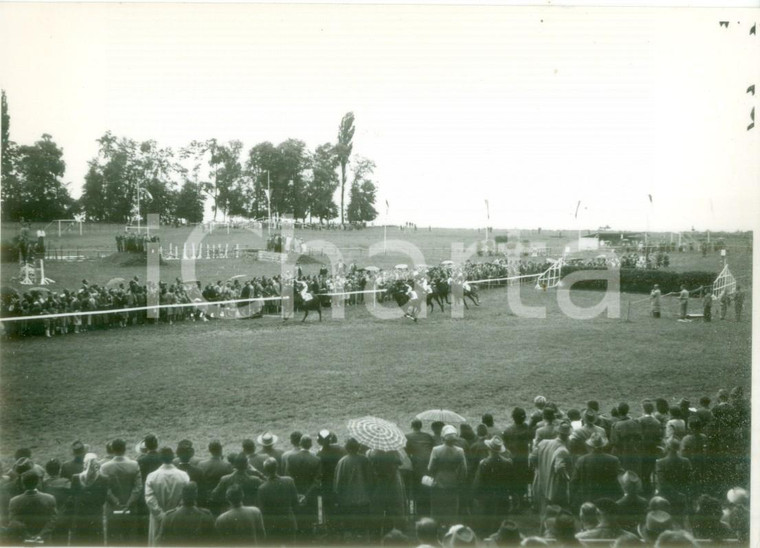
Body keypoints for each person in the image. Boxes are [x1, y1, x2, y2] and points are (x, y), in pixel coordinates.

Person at [144, 447, 190, 546]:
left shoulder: (152, 476)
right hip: (177, 518)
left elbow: (150, 500)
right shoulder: (183, 475)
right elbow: (185, 497)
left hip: (158, 519)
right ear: (173, 457)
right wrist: (175, 513)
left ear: (160, 458)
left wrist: (161, 516)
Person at [100, 438, 142, 545]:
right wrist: (129, 502)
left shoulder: (105, 467)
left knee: (113, 539)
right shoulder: (134, 465)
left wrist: (116, 502)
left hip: (113, 508)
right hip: (131, 508)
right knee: (131, 539)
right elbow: (138, 487)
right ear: (125, 449)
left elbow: (105, 489)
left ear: (113, 449)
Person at [472, 436, 514, 536]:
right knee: (501, 518)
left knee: (487, 518)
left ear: (489, 449)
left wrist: (475, 494)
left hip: (487, 496)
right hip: (502, 495)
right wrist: (511, 494)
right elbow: (511, 481)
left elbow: (478, 482)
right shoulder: (508, 462)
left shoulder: (484, 463)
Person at [428, 425, 467, 528]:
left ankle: (436, 528)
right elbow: (464, 469)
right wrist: (460, 480)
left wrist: (434, 475)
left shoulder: (436, 450)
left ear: (443, 437)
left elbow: (430, 468)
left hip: (438, 481)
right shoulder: (459, 451)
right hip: (453, 481)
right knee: (452, 509)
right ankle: (450, 528)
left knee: (437, 508)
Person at [334, 437, 374, 540]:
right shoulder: (365, 460)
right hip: (363, 499)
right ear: (358, 447)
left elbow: (338, 483)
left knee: (349, 527)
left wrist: (338, 496)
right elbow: (371, 480)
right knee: (362, 527)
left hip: (347, 500)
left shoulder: (342, 462)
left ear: (346, 448)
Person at [570, 432, 623, 509]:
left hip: (588, 497)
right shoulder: (613, 459)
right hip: (607, 497)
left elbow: (574, 481)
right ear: (603, 446)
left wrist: (573, 498)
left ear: (590, 446)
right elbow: (620, 478)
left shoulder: (582, 460)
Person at [530, 420, 572, 515]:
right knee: (554, 512)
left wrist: (539, 468)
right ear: (568, 436)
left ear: (557, 432)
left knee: (543, 510)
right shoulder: (563, 450)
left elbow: (532, 457)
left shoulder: (544, 442)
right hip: (553, 487)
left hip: (541, 482)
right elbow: (559, 467)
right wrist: (567, 477)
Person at [156, 481, 215, 546]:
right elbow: (213, 541)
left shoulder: (169, 516)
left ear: (181, 494)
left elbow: (160, 541)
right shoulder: (206, 515)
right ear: (196, 494)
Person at [284, 435, 321, 539]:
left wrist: (297, 494)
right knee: (309, 523)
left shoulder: (291, 457)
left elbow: (288, 478)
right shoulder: (316, 460)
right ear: (311, 445)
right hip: (309, 497)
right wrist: (306, 496)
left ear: (300, 444)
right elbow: (317, 482)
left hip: (295, 495)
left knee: (298, 522)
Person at [257, 457, 299, 545]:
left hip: (273, 526)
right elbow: (295, 502)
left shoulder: (262, 488)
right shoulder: (289, 481)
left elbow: (263, 510)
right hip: (288, 521)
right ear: (277, 467)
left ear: (265, 470)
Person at [8, 470, 57, 543]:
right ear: (37, 482)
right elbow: (52, 520)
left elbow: (13, 521)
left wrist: (27, 536)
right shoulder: (50, 498)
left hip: (23, 540)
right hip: (44, 540)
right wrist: (41, 535)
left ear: (23, 484)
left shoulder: (14, 501)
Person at [406, 419, 435, 516]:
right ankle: (427, 510)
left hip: (417, 466)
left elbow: (407, 452)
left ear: (412, 426)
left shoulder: (407, 437)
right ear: (421, 426)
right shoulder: (428, 436)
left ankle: (419, 512)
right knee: (426, 487)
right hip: (428, 466)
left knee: (417, 488)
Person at [198, 440, 233, 515]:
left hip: (207, 498)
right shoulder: (227, 465)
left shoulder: (201, 464)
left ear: (209, 450)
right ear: (221, 450)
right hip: (222, 499)